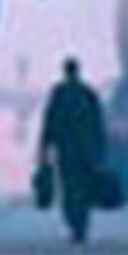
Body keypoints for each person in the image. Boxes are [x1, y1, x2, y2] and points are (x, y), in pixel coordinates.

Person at [38, 57, 109, 244]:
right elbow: (98, 126)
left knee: (70, 190)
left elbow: (49, 124)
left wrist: (44, 150)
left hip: (67, 152)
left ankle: (75, 225)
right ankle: (80, 225)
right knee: (82, 190)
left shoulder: (59, 94)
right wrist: (100, 152)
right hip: (84, 153)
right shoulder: (88, 94)